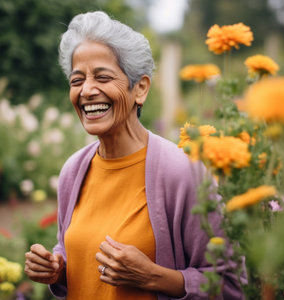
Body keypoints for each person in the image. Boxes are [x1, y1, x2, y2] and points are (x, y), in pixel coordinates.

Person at [24, 11, 246, 299]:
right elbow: (74, 254)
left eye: (102, 77)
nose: (87, 90)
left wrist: (152, 277)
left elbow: (229, 284)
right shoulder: (73, 170)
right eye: (77, 80)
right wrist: (56, 268)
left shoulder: (182, 173)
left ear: (140, 88)